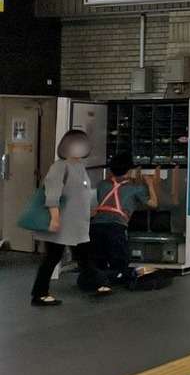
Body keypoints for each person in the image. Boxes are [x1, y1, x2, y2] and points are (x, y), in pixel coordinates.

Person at [29, 129, 110, 306]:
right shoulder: (59, 167)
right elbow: (52, 194)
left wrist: (89, 211)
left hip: (75, 223)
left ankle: (96, 284)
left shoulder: (79, 167)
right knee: (53, 257)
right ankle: (40, 294)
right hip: (60, 222)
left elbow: (82, 194)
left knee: (83, 255)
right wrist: (55, 218)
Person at [91, 152, 159, 286]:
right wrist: (150, 184)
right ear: (129, 170)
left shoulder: (102, 184)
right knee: (120, 262)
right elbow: (154, 204)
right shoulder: (135, 188)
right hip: (116, 227)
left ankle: (100, 284)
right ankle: (117, 281)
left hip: (95, 226)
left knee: (99, 261)